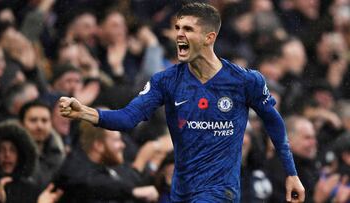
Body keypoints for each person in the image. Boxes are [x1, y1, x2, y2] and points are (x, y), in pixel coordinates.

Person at [59, 2, 305, 202]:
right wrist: (85, 112)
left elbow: (274, 122)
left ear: (209, 37)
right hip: (182, 192)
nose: (179, 35)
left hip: (220, 193)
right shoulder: (166, 81)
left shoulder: (245, 81)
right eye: (177, 28)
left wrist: (291, 173)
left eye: (188, 29)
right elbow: (127, 118)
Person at [53, 121, 159, 203]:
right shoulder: (74, 169)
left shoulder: (109, 165)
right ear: (98, 145)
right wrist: (132, 192)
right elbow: (93, 184)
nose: (123, 145)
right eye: (116, 140)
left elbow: (127, 182)